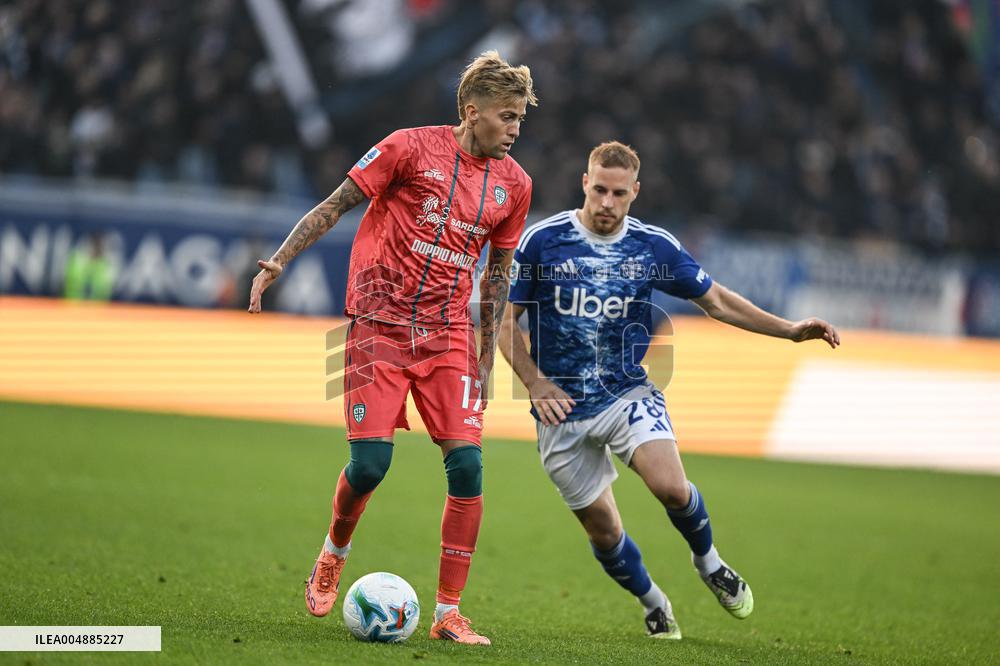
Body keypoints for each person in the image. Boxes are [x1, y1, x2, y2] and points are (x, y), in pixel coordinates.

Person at [248, 51, 536, 646]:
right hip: (377, 326)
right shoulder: (408, 148)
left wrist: (483, 358)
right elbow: (334, 205)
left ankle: (449, 612)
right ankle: (334, 551)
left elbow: (499, 274)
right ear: (471, 110)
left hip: (449, 335)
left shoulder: (516, 186)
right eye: (506, 117)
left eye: (519, 120)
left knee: (468, 464)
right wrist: (280, 260)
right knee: (371, 465)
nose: (514, 130)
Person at [499, 141, 839, 639]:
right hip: (562, 411)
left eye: (618, 193)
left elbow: (717, 301)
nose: (607, 203)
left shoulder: (653, 247)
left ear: (635, 192)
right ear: (584, 183)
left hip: (626, 394)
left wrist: (788, 330)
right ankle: (653, 601)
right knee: (605, 531)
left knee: (672, 488)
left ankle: (710, 564)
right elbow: (504, 321)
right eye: (599, 190)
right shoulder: (543, 241)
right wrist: (534, 381)